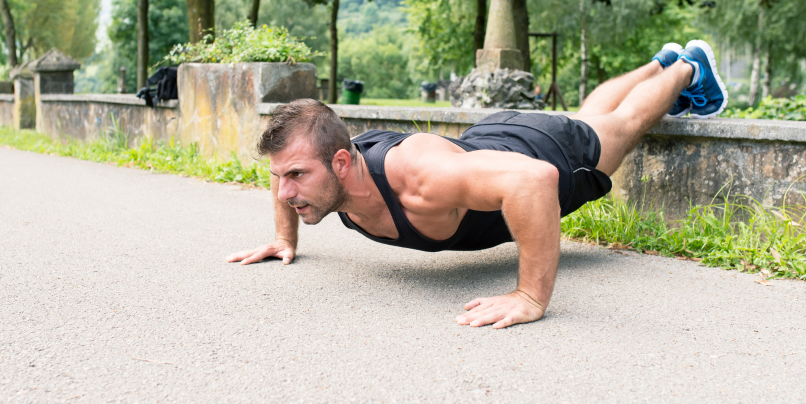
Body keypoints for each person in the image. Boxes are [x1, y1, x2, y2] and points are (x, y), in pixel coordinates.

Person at [227, 40, 728, 329]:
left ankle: (688, 67)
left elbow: (535, 181)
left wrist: (530, 297)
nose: (286, 192)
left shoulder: (420, 178)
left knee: (619, 127)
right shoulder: (327, 167)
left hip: (542, 150)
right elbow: (287, 173)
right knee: (592, 116)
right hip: (488, 141)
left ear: (340, 163)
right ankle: (660, 62)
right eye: (280, 178)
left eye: (295, 177)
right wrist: (283, 238)